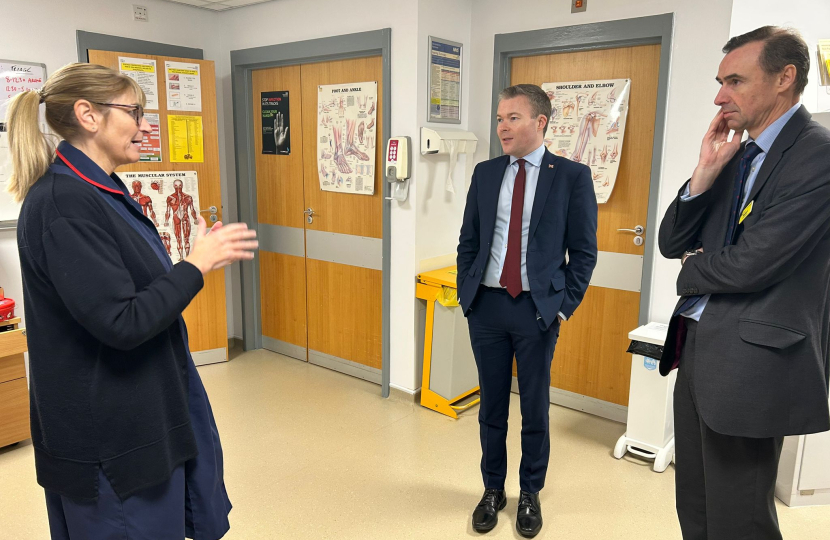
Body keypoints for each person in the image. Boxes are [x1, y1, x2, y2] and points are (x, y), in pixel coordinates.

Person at [6, 63, 258, 540]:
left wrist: (191, 262)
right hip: (111, 443)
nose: (146, 125)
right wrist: (195, 266)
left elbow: (130, 294)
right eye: (135, 112)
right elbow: (123, 320)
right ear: (88, 115)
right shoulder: (63, 203)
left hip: (144, 417)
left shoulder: (104, 191)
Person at [658, 26, 830, 540]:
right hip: (698, 351)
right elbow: (671, 241)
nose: (719, 95)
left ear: (785, 78)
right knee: (696, 507)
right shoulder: (736, 153)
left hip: (753, 364)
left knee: (740, 520)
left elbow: (755, 263)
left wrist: (692, 270)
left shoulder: (817, 155)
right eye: (719, 81)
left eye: (734, 80)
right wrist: (704, 174)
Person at [457, 84, 597, 538]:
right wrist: (467, 295)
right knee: (491, 407)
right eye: (499, 118)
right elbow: (469, 241)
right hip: (488, 307)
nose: (502, 127)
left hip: (537, 311)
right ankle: (492, 490)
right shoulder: (486, 173)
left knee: (534, 408)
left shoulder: (571, 176)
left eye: (513, 118)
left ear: (540, 122)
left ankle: (530, 492)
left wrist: (561, 308)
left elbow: (584, 252)